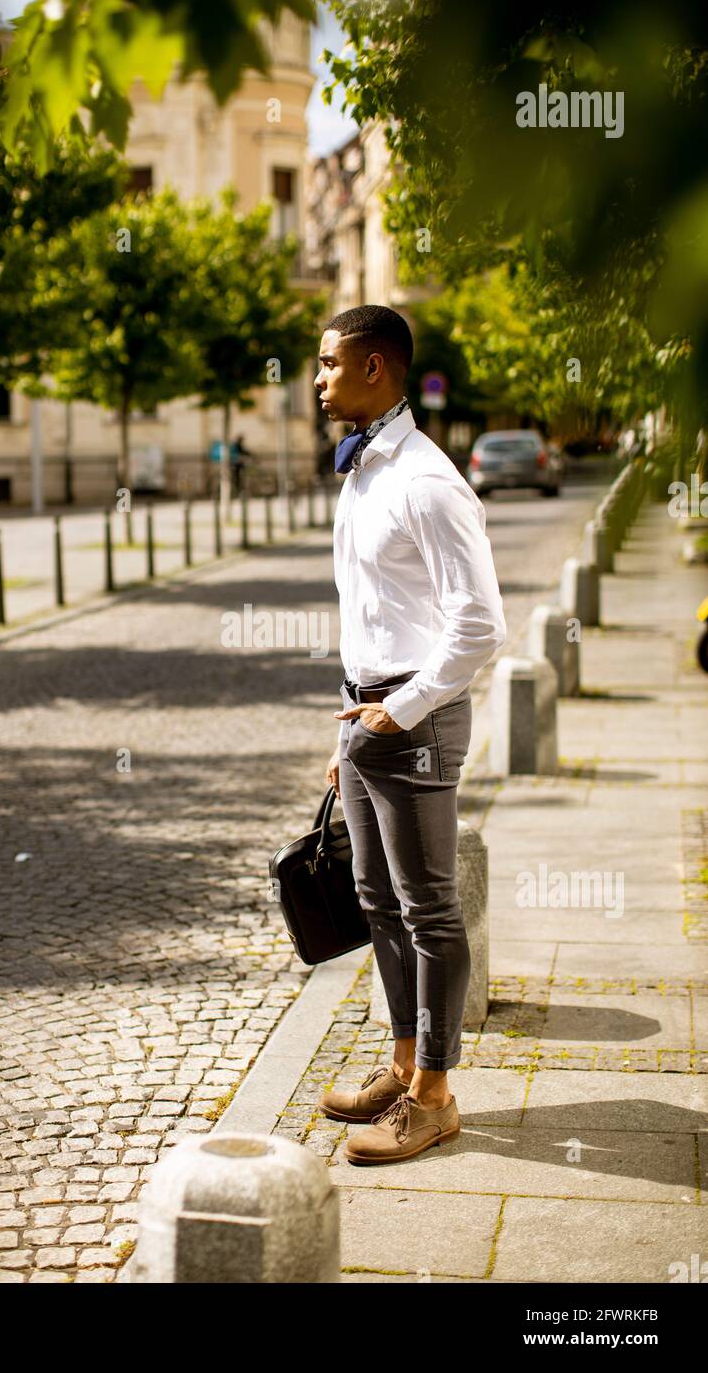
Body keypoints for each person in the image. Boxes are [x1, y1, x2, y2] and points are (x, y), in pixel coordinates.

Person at [314, 304, 507, 1165]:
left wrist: (405, 707)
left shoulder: (425, 480)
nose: (316, 380)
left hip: (413, 717)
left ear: (376, 369)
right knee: (375, 897)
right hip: (369, 713)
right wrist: (352, 724)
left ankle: (434, 1094)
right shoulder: (363, 470)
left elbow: (480, 624)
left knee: (430, 908)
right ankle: (402, 1061)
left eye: (327, 365)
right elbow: (373, 611)